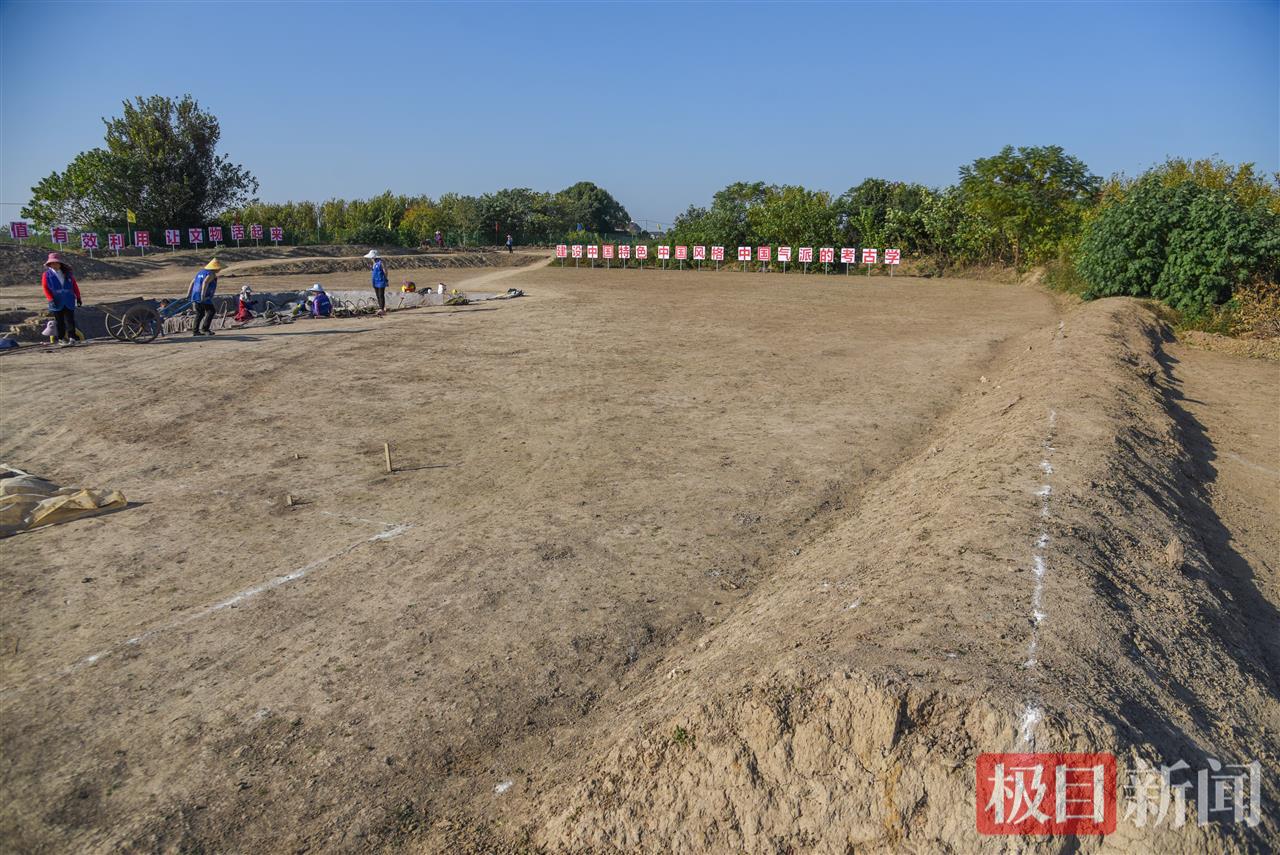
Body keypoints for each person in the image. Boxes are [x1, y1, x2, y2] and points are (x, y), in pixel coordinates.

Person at [40, 253, 82, 347]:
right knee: (59, 321)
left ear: (60, 264)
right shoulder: (47, 275)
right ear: (49, 265)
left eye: (56, 263)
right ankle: (61, 338)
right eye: (52, 263)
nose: (54, 265)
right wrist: (50, 299)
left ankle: (72, 337)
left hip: (68, 300)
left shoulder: (67, 273)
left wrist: (78, 297)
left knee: (70, 320)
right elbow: (45, 288)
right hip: (56, 301)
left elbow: (74, 286)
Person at [188, 258, 222, 336]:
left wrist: (189, 294)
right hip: (204, 296)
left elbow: (192, 282)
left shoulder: (200, 272)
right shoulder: (211, 274)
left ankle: (195, 331)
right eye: (219, 268)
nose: (219, 269)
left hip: (195, 294)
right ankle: (205, 329)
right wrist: (202, 296)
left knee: (200, 313)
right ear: (215, 267)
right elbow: (205, 282)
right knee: (211, 311)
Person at [365, 249, 388, 315]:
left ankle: (382, 309)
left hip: (381, 280)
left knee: (381, 295)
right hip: (375, 281)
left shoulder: (381, 262)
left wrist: (385, 279)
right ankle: (381, 307)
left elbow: (385, 271)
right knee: (377, 295)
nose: (371, 258)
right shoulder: (374, 263)